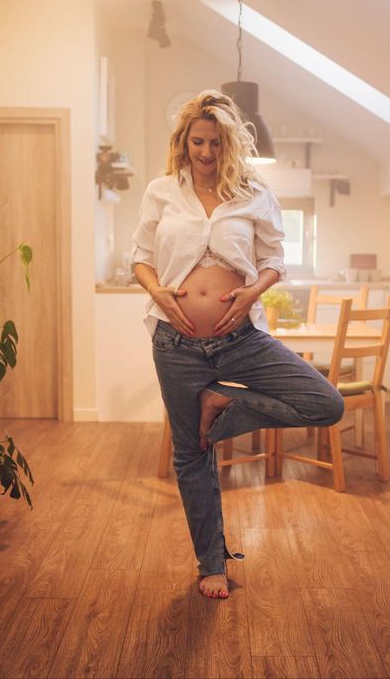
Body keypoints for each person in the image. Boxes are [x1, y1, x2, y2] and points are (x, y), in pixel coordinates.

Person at [131, 90, 344, 600]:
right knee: (192, 454)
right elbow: (140, 257)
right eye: (197, 141)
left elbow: (275, 258)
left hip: (240, 337)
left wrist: (254, 288)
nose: (206, 152)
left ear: (230, 145)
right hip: (175, 341)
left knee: (325, 403)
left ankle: (223, 401)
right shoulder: (161, 191)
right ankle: (212, 564)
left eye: (216, 143)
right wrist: (156, 288)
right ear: (184, 143)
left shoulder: (253, 192)